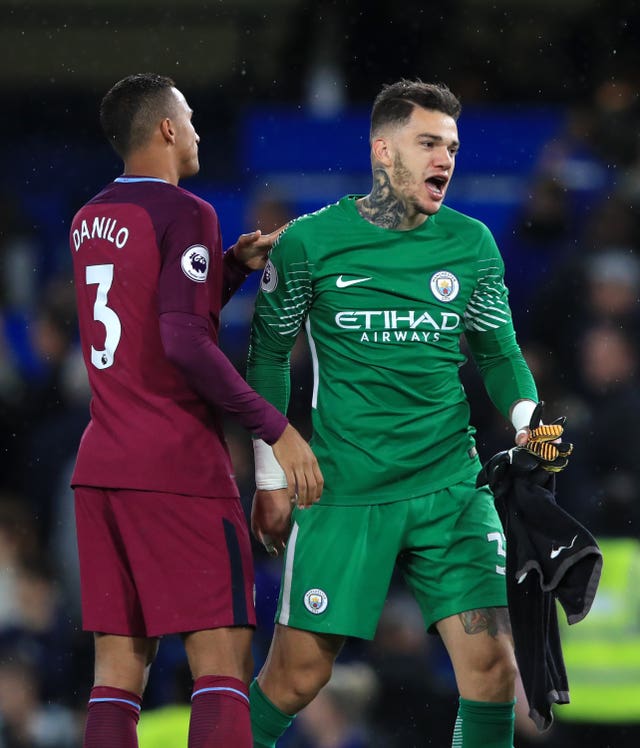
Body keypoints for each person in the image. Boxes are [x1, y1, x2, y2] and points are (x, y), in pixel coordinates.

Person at [246, 80, 544, 747]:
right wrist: (269, 477)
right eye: (428, 142)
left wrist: (528, 420)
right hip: (345, 489)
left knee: (492, 670)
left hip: (449, 489)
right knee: (296, 679)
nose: (445, 159)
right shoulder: (310, 243)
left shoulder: (472, 245)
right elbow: (265, 359)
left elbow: (500, 355)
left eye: (453, 147)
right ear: (384, 151)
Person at [68, 73, 322, 748]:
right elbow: (182, 344)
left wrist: (227, 272)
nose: (200, 131)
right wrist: (276, 427)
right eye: (189, 117)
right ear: (167, 130)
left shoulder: (88, 217)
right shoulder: (188, 213)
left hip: (102, 463)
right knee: (222, 664)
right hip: (174, 463)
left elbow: (139, 323)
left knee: (118, 674)